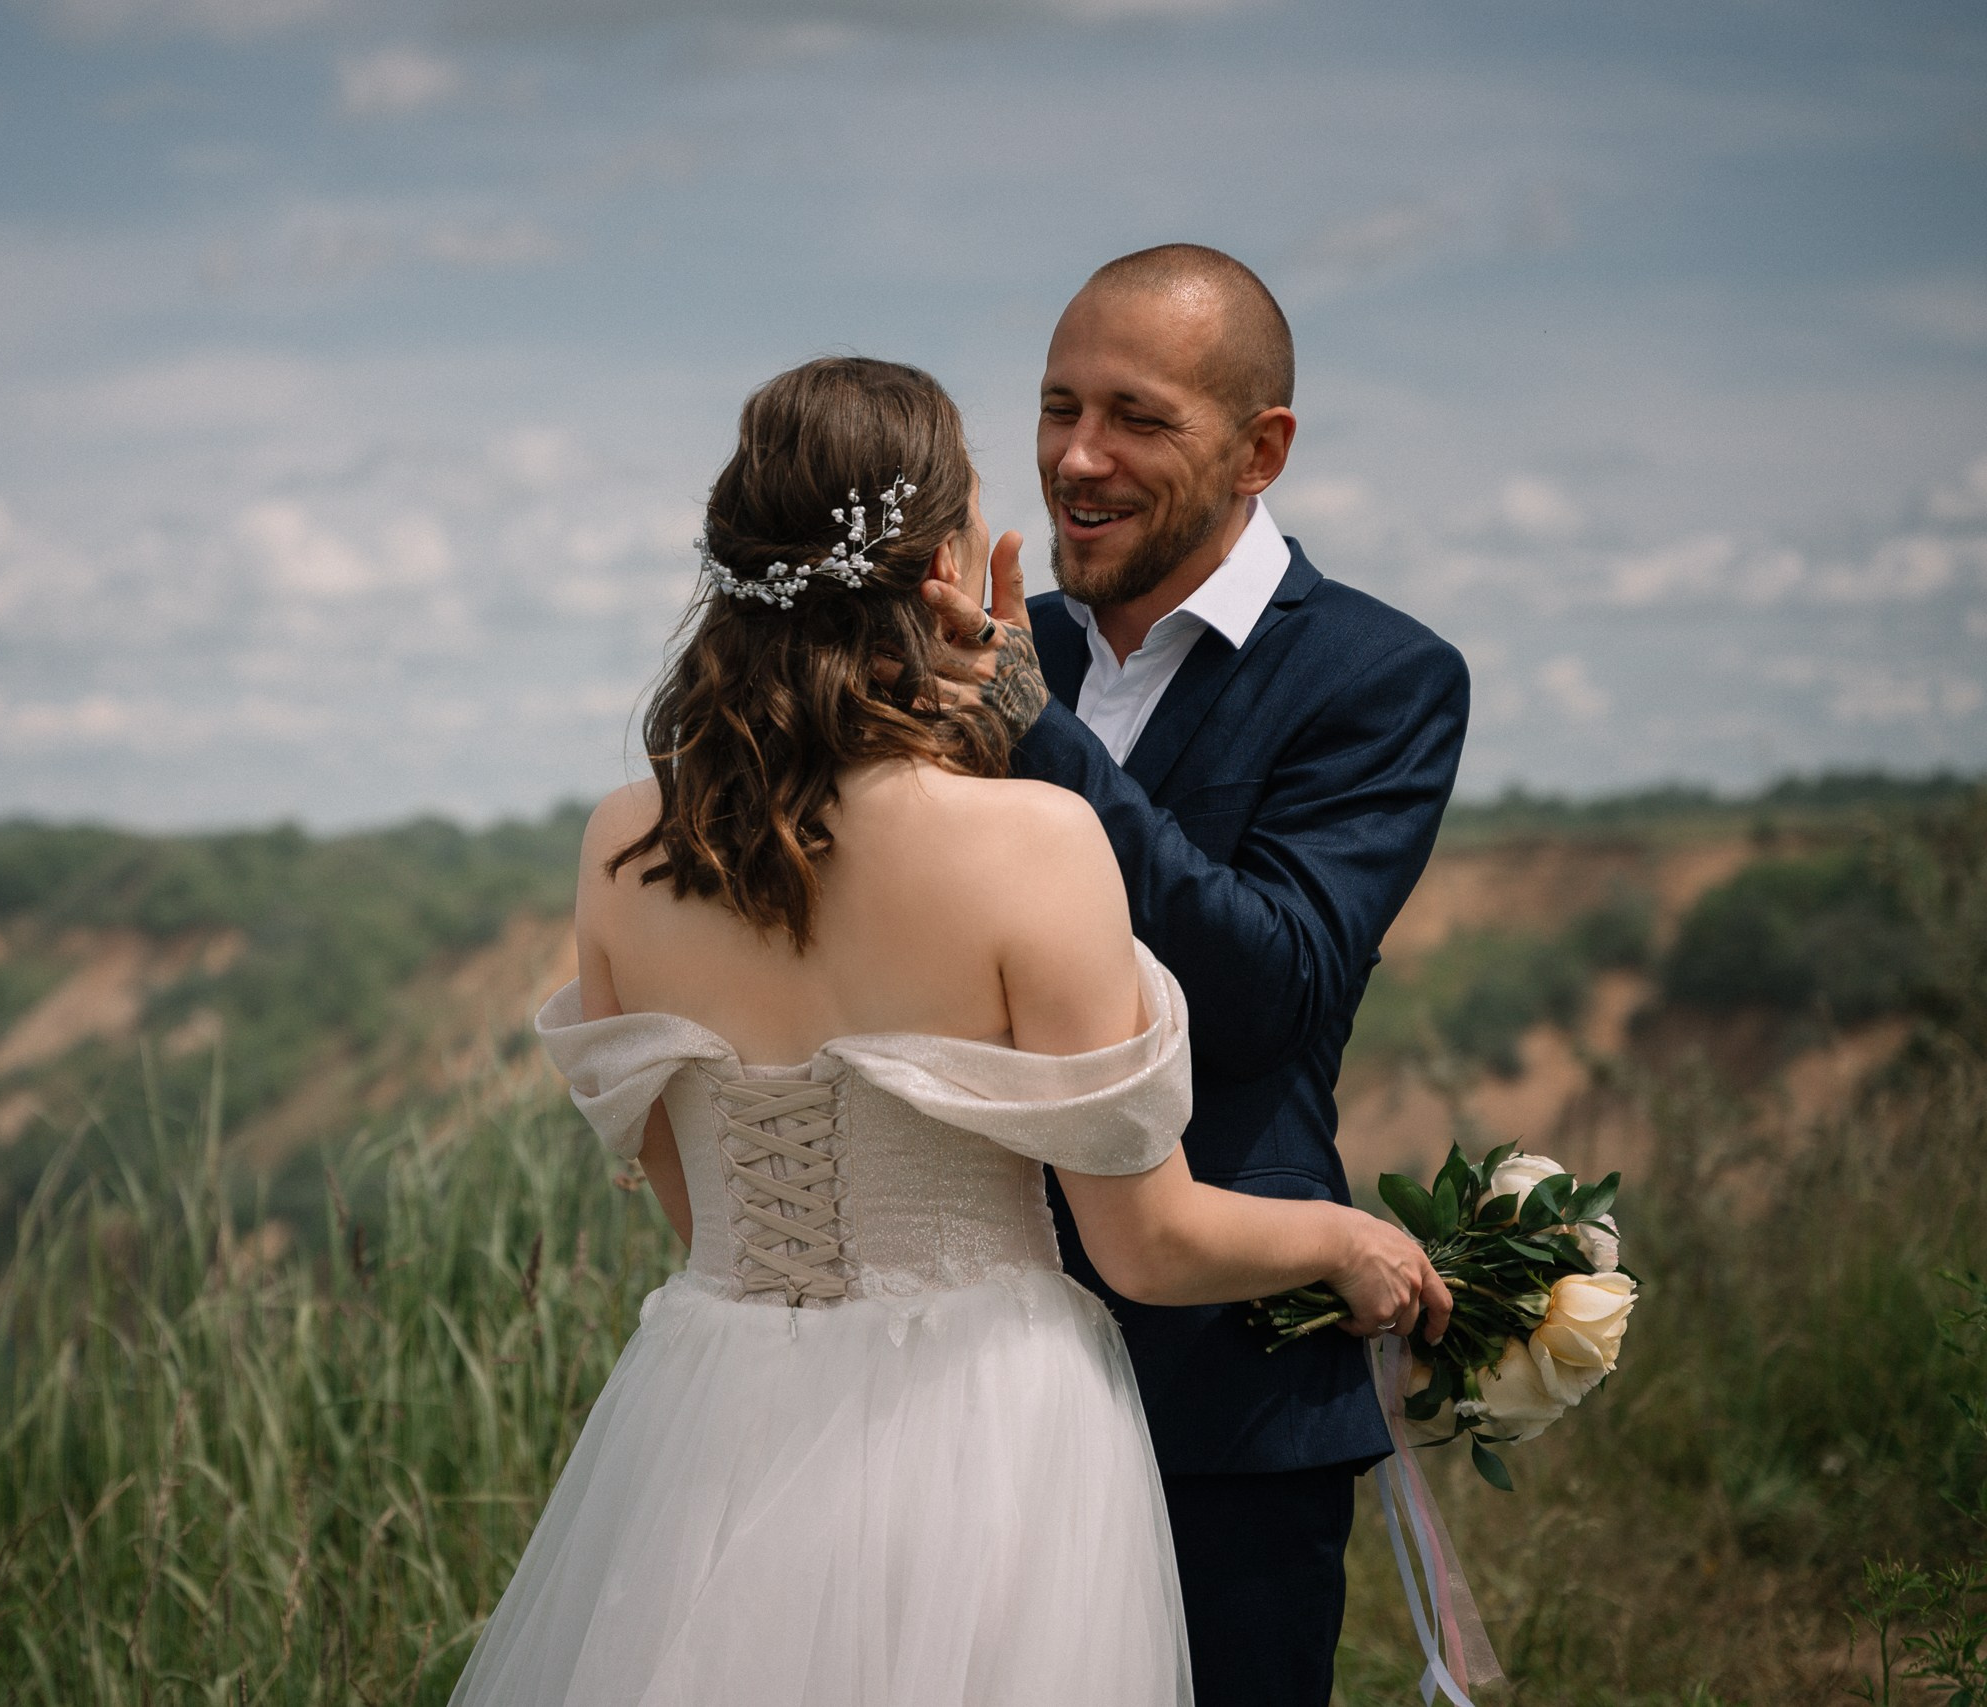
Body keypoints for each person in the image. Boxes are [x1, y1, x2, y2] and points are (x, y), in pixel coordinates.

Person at [451, 354, 1449, 1707]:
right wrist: (1346, 1241)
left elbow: (699, 1215)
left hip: (713, 1414)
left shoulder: (626, 841)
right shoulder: (1036, 842)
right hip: (988, 1433)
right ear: (939, 565)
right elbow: (1146, 1248)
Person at [919, 246, 1474, 1707]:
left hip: (1218, 1398)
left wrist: (1042, 742)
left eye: (1137, 418)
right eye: (1057, 407)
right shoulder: (992, 651)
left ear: (1259, 449)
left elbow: (1270, 989)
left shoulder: (1379, 677)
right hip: (955, 1381)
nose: (1075, 458)